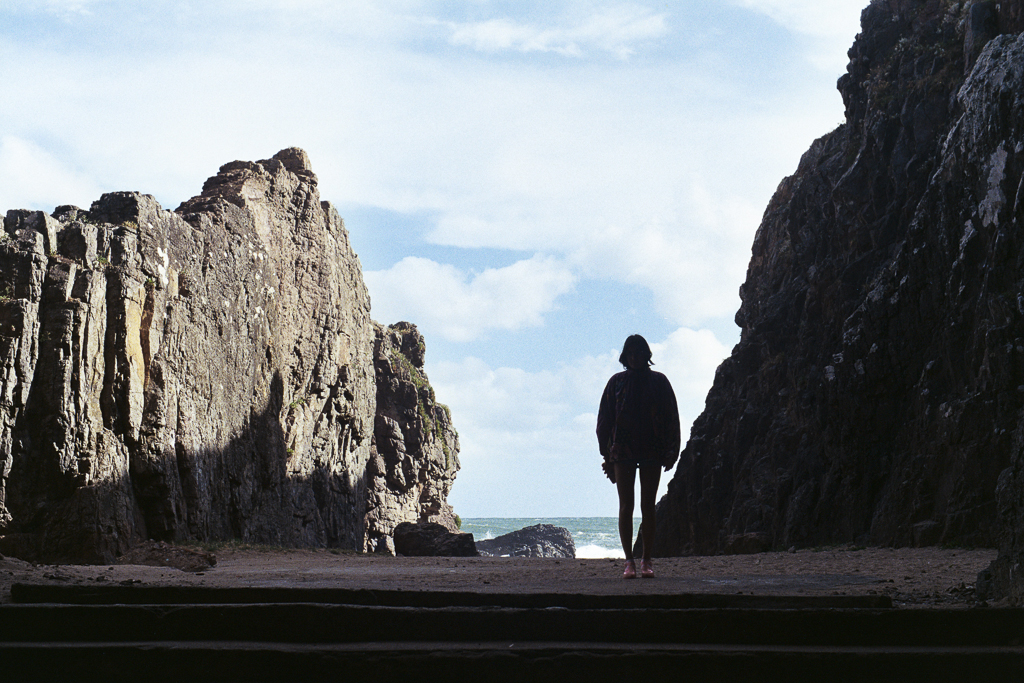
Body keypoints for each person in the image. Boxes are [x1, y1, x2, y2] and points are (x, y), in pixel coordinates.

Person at [596, 334, 680, 578]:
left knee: (648, 506)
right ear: (625, 356)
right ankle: (629, 562)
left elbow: (671, 417)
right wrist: (606, 453)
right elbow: (604, 420)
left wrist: (672, 450)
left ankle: (646, 560)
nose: (635, 357)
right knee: (626, 506)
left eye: (639, 352)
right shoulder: (616, 383)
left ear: (647, 355)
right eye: (630, 353)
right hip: (622, 451)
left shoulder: (660, 381)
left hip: (653, 449)